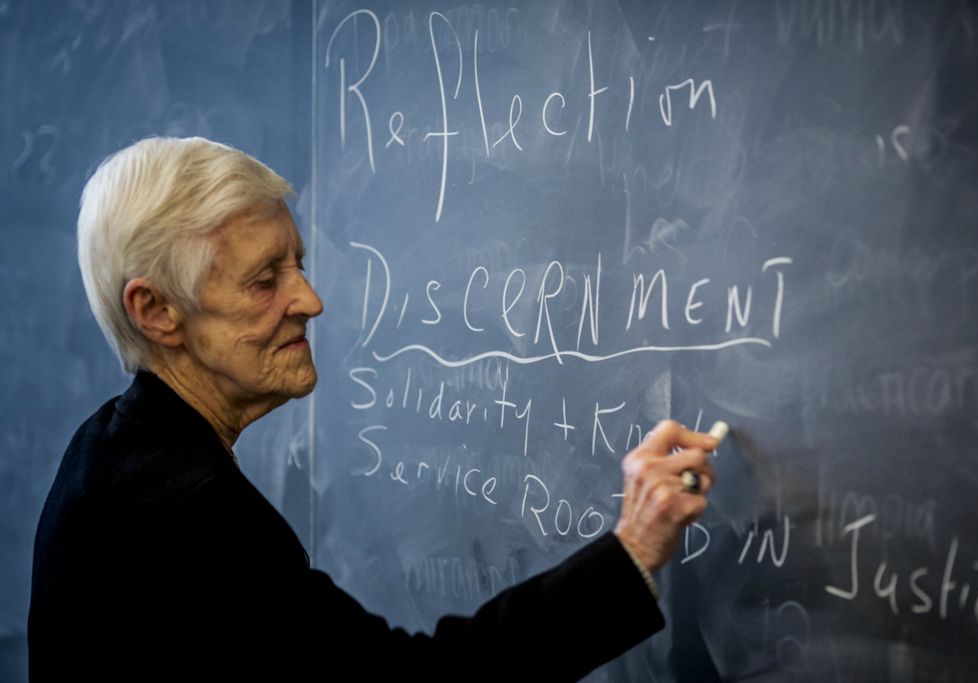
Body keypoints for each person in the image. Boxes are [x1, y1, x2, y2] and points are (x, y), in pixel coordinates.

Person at [28, 137, 718, 681]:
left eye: (298, 264)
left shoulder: (104, 454)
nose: (309, 300)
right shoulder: (194, 517)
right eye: (266, 280)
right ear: (156, 311)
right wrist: (629, 554)